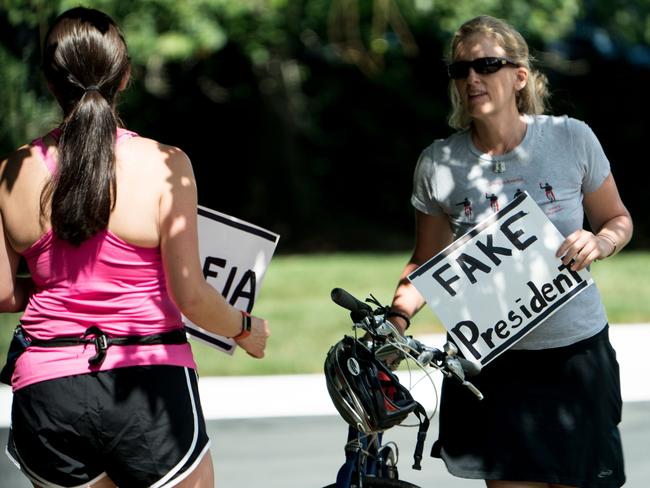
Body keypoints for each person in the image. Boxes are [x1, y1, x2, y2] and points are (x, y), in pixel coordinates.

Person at [0, 7, 270, 488]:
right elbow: (189, 295)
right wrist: (245, 330)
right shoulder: (166, 164)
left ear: (49, 82)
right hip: (146, 378)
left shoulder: (11, 173)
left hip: (46, 390)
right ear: (124, 75)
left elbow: (1, 294)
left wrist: (58, 285)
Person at [387, 15, 632, 488]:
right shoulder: (440, 162)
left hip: (574, 355)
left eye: (487, 64)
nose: (472, 78)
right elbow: (426, 264)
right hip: (491, 367)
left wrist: (599, 242)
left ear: (519, 76)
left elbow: (618, 219)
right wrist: (395, 322)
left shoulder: (570, 137)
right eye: (461, 70)